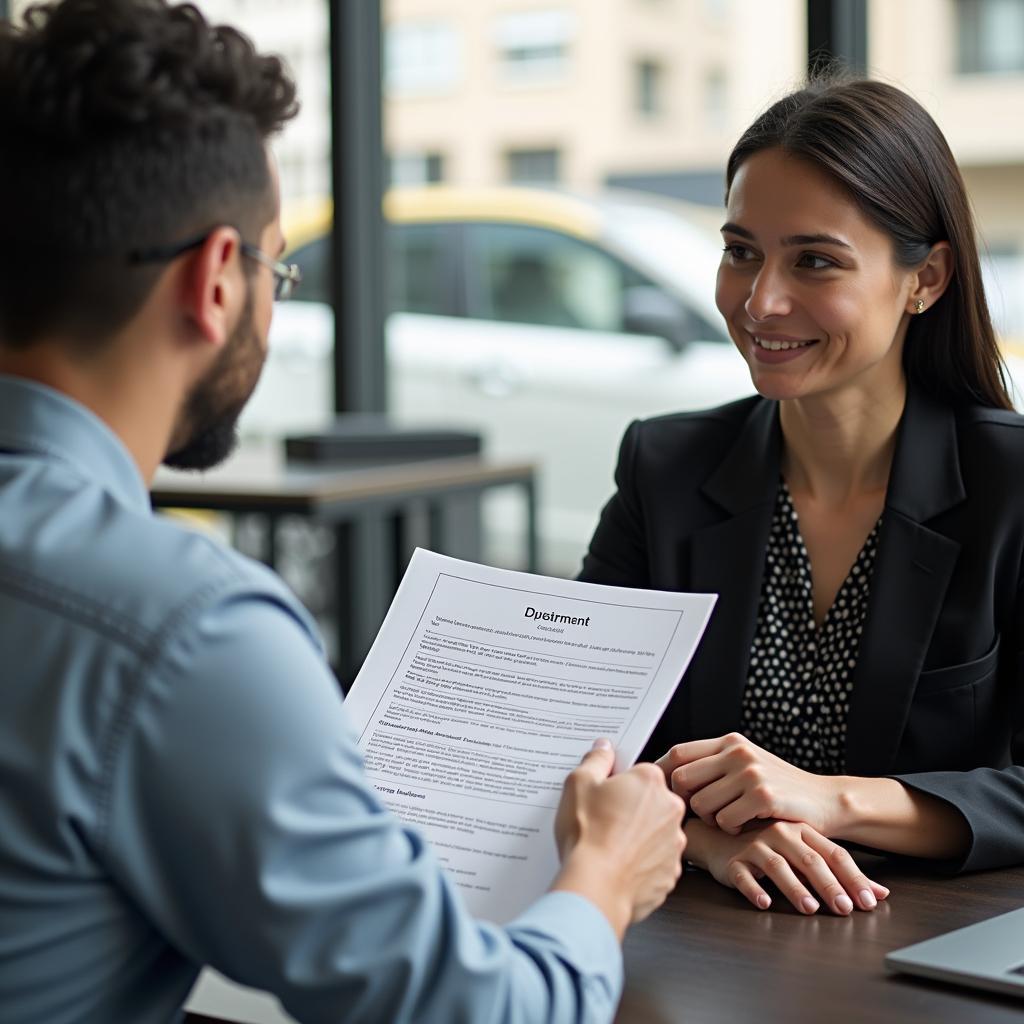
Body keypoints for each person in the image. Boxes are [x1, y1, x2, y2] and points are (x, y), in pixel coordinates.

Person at [0, 2, 687, 1022]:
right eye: (277, 270)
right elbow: (470, 1010)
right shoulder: (182, 629)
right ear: (214, 282)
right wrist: (602, 873)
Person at [580, 76, 1024, 917]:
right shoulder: (663, 466)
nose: (760, 300)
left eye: (814, 260)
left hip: (926, 947)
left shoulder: (1010, 485)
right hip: (702, 941)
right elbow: (578, 735)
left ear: (925, 279)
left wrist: (825, 797)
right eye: (741, 250)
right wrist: (709, 838)